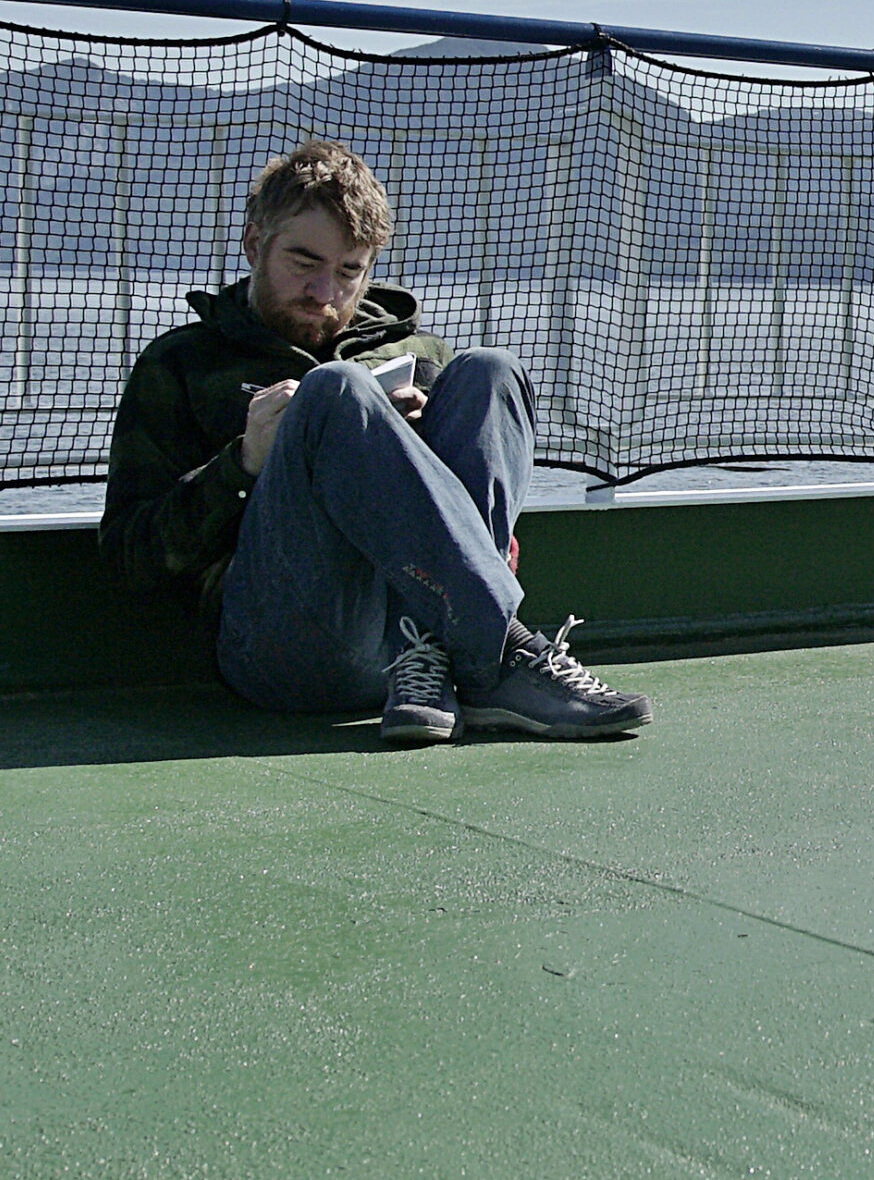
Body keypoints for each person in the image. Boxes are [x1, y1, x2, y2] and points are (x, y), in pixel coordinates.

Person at [101, 139, 651, 744]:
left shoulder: (417, 357)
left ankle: (461, 659)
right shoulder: (182, 364)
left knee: (491, 370)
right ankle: (506, 646)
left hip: (422, 660)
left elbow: (488, 519)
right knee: (337, 391)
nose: (324, 294)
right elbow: (131, 563)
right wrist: (244, 464)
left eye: (348, 272)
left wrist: (407, 452)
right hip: (286, 651)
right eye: (304, 263)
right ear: (256, 245)